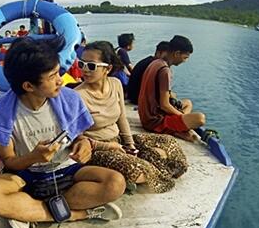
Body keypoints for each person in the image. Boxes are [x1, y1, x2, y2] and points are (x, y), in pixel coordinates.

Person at [0, 37, 126, 228]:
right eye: (53, 75)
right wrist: (33, 158)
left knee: (116, 182)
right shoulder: (3, 113)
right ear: (29, 86)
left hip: (67, 168)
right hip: (27, 175)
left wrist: (83, 144)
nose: (60, 80)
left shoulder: (69, 99)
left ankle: (30, 211)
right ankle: (77, 214)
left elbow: (79, 137)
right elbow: (10, 162)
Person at [75, 41, 185, 193]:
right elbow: (77, 138)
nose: (85, 70)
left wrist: (130, 145)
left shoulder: (115, 84)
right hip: (97, 150)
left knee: (168, 142)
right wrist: (109, 147)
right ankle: (142, 170)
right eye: (81, 64)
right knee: (138, 169)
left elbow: (121, 118)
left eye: (91, 66)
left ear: (108, 68)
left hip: (118, 140)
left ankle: (146, 167)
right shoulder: (77, 96)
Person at [138, 35, 206, 143]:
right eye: (185, 57)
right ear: (177, 53)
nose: (185, 61)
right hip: (154, 121)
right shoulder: (164, 71)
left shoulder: (156, 62)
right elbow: (165, 105)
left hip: (146, 115)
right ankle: (177, 129)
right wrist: (184, 116)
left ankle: (180, 127)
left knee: (187, 103)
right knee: (200, 118)